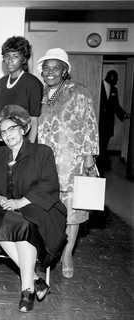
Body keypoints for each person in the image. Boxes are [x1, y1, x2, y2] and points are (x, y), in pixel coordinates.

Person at [0, 105, 67, 313]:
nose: (8, 135)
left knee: (24, 225)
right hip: (4, 208)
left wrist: (20, 202)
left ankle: (27, 289)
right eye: (3, 132)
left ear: (23, 128)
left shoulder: (42, 152)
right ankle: (35, 281)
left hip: (38, 207)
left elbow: (49, 184)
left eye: (12, 129)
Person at [36, 48, 100, 278]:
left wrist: (89, 155)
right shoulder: (40, 94)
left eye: (56, 68)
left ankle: (68, 254)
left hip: (72, 162)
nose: (50, 72)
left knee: (72, 211)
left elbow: (89, 124)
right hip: (45, 164)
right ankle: (50, 250)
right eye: (47, 68)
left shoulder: (78, 92)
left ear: (65, 71)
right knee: (48, 208)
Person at [0, 36, 43, 144]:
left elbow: (34, 121)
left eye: (15, 56)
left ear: (24, 59)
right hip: (3, 143)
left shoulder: (32, 82)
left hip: (23, 143)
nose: (10, 60)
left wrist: (28, 149)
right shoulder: (2, 82)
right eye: (7, 56)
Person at [98, 70, 131, 173]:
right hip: (98, 121)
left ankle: (101, 166)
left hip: (107, 123)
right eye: (114, 79)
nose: (115, 81)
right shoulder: (98, 85)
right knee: (97, 144)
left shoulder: (114, 90)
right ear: (110, 77)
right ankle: (97, 165)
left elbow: (115, 106)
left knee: (104, 145)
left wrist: (123, 114)